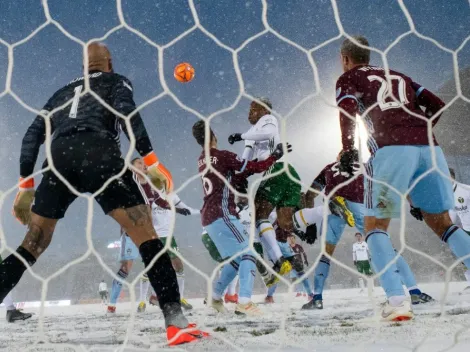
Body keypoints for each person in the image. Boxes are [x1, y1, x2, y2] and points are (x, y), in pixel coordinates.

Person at [2, 43, 207, 345]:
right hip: (100, 153)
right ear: (109, 63)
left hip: (58, 161)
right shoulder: (116, 81)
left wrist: (25, 187)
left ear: (84, 67)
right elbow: (127, 113)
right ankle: (175, 322)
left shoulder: (60, 93)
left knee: (32, 243)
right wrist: (150, 161)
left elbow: (32, 133)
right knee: (146, 234)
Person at [336, 36, 470, 321]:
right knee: (443, 224)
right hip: (430, 150)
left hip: (391, 149)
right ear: (369, 55)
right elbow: (437, 104)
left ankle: (397, 301)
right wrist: (419, 129)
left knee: (374, 226)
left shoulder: (348, 77)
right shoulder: (398, 75)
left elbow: (347, 109)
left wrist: (348, 149)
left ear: (345, 58)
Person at [297, 160, 433, 310]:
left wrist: (310, 226)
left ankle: (317, 299)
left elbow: (310, 194)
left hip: (333, 203)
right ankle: (414, 291)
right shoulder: (366, 165)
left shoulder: (330, 167)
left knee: (325, 254)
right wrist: (412, 204)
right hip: (359, 202)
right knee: (385, 247)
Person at [193, 120, 289, 316]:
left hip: (208, 218)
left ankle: (216, 295)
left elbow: (229, 178)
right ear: (213, 137)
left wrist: (240, 177)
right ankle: (244, 301)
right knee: (248, 254)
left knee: (236, 260)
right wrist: (275, 156)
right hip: (223, 214)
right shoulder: (222, 155)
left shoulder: (202, 160)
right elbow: (252, 167)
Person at [107, 158, 197, 313]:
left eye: (144, 164)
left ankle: (155, 297)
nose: (143, 165)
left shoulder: (149, 187)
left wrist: (178, 209)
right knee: (126, 267)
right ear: (132, 167)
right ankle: (112, 304)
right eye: (139, 164)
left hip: (147, 232)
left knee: (156, 265)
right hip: (130, 232)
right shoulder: (127, 184)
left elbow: (160, 201)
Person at [228, 98, 297, 282]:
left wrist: (241, 136)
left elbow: (268, 133)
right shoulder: (251, 132)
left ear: (262, 109)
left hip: (275, 170)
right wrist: (237, 172)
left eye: (252, 109)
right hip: (281, 172)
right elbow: (245, 161)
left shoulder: (267, 119)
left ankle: (279, 260)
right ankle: (281, 259)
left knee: (259, 215)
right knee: (284, 222)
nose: (249, 113)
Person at [448, 168, 470, 290]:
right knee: (464, 255)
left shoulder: (466, 189)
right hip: (466, 230)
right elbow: (452, 212)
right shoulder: (448, 195)